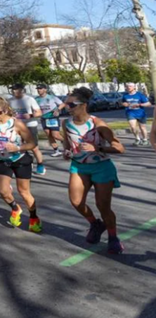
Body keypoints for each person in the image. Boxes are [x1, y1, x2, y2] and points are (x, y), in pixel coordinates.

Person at [62, 87, 126, 253]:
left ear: (83, 105)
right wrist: (66, 152)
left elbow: (119, 148)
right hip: (79, 165)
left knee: (103, 206)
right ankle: (95, 224)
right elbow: (67, 144)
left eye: (71, 104)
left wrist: (97, 148)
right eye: (66, 104)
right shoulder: (66, 123)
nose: (67, 107)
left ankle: (113, 237)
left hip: (101, 167)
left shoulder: (98, 124)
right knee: (76, 202)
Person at [0, 97, 42, 233]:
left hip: (20, 159)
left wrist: (17, 148)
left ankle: (34, 218)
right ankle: (15, 208)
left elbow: (32, 143)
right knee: (3, 192)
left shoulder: (17, 124)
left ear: (5, 110)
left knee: (24, 192)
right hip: (2, 160)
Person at [8, 83, 45, 175]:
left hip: (30, 125)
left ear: (22, 90)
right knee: (18, 146)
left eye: (16, 89)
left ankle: (40, 165)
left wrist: (30, 115)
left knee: (33, 147)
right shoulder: (10, 100)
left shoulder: (29, 99)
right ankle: (23, 163)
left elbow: (39, 112)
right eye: (13, 89)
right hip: (17, 126)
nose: (14, 91)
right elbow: (8, 113)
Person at [36, 85, 65, 157]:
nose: (38, 90)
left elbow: (62, 104)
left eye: (40, 88)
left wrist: (58, 110)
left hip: (52, 117)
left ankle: (67, 143)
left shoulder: (52, 97)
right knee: (48, 134)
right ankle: (56, 151)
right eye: (38, 89)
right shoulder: (36, 99)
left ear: (45, 89)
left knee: (56, 135)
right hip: (43, 118)